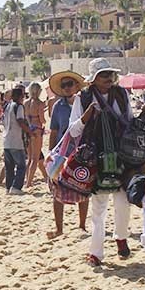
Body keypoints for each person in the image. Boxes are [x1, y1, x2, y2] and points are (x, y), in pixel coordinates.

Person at [67, 58, 133, 265]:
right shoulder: (83, 98)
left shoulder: (121, 94)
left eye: (110, 74)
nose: (108, 78)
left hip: (121, 155)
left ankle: (121, 238)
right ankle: (96, 253)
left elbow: (130, 120)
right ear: (93, 79)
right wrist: (87, 115)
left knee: (123, 202)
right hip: (94, 157)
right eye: (103, 75)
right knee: (99, 208)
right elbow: (73, 130)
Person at [46, 71, 89, 239]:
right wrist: (50, 152)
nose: (66, 88)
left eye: (69, 84)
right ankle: (59, 228)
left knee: (83, 187)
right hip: (62, 153)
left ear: (76, 85)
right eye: (63, 85)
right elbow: (54, 130)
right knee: (57, 189)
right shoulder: (58, 106)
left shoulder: (85, 103)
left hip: (82, 152)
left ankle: (82, 225)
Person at [3, 88, 32, 195]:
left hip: (6, 140)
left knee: (9, 167)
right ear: (21, 96)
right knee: (21, 166)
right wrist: (29, 132)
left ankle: (9, 187)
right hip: (16, 140)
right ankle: (16, 187)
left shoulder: (7, 106)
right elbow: (20, 120)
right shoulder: (19, 106)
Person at [24, 82, 48, 188]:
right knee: (35, 158)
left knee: (30, 158)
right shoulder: (39, 103)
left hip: (28, 129)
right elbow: (42, 119)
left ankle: (27, 180)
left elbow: (26, 117)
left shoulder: (26, 102)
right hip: (37, 129)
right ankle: (29, 182)